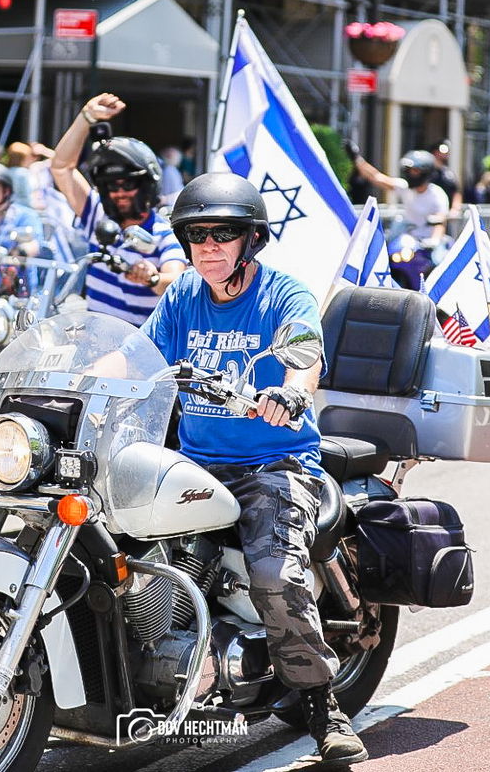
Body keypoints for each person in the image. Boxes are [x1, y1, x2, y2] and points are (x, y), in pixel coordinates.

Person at [140, 172, 367, 766]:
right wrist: (80, 378)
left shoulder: (284, 295)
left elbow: (303, 354)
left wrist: (292, 394)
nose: (208, 246)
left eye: (223, 234)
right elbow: (136, 357)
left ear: (252, 241)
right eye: (197, 235)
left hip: (273, 461)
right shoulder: (181, 297)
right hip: (194, 464)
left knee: (273, 573)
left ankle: (322, 706)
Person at [49, 93, 186, 325]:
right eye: (111, 185)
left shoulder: (165, 233)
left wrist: (152, 277)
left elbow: (175, 280)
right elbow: (61, 167)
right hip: (97, 340)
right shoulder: (97, 216)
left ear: (146, 186)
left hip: (143, 348)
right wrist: (86, 117)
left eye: (128, 184)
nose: (119, 192)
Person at [352, 150, 450, 246]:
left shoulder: (437, 195)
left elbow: (440, 222)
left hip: (427, 244)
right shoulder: (405, 188)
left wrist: (434, 241)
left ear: (426, 172)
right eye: (409, 171)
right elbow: (376, 177)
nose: (410, 175)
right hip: (409, 242)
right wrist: (357, 159)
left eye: (415, 171)